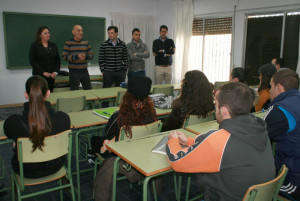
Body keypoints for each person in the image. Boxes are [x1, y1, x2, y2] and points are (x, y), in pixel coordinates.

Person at [166, 82, 275, 201]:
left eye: (216, 104)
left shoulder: (220, 140)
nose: (214, 107)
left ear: (223, 111)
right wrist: (189, 141)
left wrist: (173, 141)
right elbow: (218, 150)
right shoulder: (260, 130)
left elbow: (177, 161)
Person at [94, 76, 157, 201]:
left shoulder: (119, 116)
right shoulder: (152, 113)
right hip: (144, 153)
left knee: (96, 140)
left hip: (123, 157)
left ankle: (92, 158)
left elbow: (108, 134)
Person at [3, 75, 70, 178]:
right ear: (48, 93)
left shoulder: (14, 122)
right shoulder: (63, 118)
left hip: (25, 170)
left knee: (16, 145)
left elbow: (8, 132)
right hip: (55, 166)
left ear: (26, 95)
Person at [264, 69, 300, 200]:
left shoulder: (280, 110)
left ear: (279, 87)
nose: (269, 91)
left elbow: (257, 135)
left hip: (293, 181)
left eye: (271, 86)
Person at [62, 25, 94, 90]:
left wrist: (85, 56)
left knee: (89, 90)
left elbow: (91, 55)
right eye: (78, 31)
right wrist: (77, 57)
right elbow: (64, 57)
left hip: (84, 71)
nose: (81, 32)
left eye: (82, 30)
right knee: (74, 91)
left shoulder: (86, 43)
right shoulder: (68, 43)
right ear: (73, 32)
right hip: (73, 72)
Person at [29, 26, 60, 92]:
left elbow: (57, 60)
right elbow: (32, 61)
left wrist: (55, 71)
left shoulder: (53, 45)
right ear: (40, 35)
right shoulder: (35, 46)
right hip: (39, 76)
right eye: (45, 33)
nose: (48, 34)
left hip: (51, 76)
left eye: (48, 33)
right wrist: (43, 72)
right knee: (40, 95)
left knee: (50, 94)